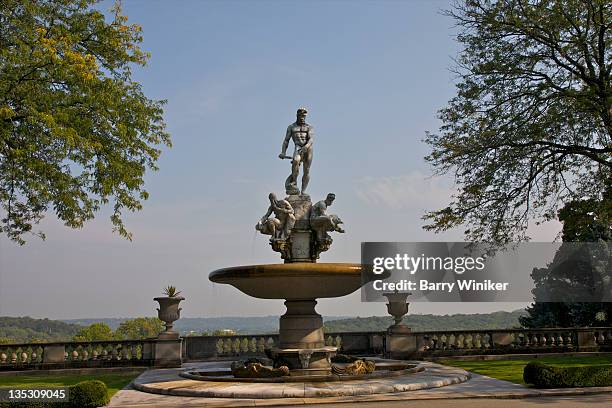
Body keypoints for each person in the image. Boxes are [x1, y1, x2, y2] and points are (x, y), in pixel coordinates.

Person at [279, 107, 314, 195]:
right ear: (297, 116)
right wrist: (283, 152)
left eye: (304, 116)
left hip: (308, 148)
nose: (302, 117)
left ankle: (303, 191)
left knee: (307, 170)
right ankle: (294, 182)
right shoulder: (291, 127)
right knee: (295, 161)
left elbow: (311, 139)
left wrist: (306, 146)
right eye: (301, 115)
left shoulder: (309, 127)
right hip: (298, 147)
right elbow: (286, 140)